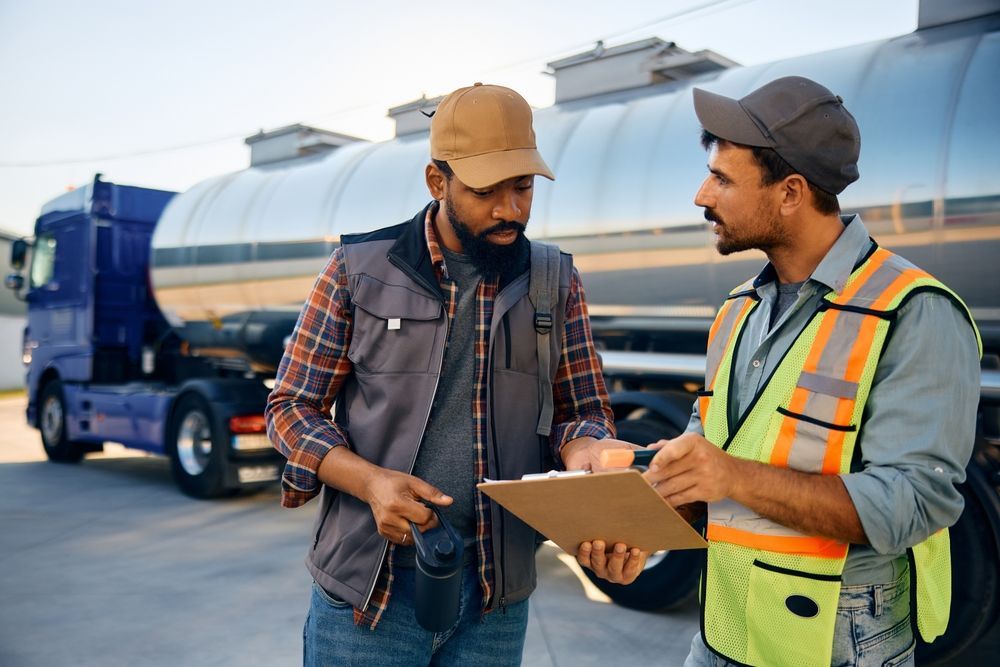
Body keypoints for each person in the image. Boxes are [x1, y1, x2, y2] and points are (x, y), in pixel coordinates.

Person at [266, 82, 644, 667]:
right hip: (372, 593)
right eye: (486, 191)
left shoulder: (555, 280)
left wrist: (585, 453)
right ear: (436, 182)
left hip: (496, 598)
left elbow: (582, 411)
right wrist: (371, 483)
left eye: (522, 187)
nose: (510, 209)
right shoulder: (357, 271)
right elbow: (291, 407)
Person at [643, 76, 982, 666]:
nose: (702, 195)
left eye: (723, 179)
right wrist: (648, 512)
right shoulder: (738, 309)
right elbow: (714, 448)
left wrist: (730, 476)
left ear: (791, 193)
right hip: (725, 625)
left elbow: (915, 503)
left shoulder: (913, 310)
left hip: (839, 637)